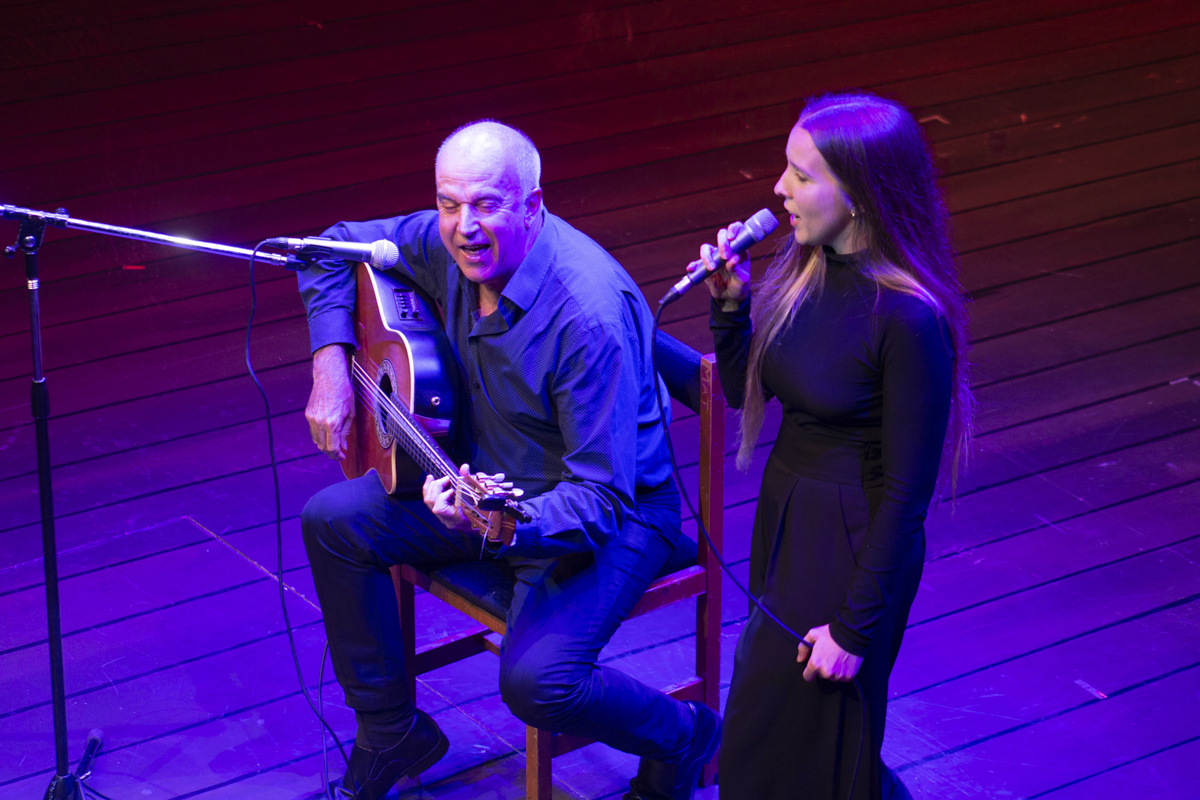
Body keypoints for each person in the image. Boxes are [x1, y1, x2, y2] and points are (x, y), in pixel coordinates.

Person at [296, 120, 720, 800]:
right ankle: (390, 731)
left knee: (539, 683)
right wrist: (331, 366)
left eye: (487, 205)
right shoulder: (446, 241)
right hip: (484, 478)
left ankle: (686, 734)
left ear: (532, 205)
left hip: (612, 513)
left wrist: (499, 522)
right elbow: (328, 247)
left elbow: (601, 497)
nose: (464, 227)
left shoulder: (585, 316)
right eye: (449, 203)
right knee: (334, 521)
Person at [692, 93, 972, 799]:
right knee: (779, 737)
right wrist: (729, 305)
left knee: (806, 743)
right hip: (790, 518)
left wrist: (852, 629)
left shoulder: (908, 319)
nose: (779, 189)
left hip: (850, 544)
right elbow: (747, 389)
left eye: (801, 175)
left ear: (859, 194)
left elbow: (906, 497)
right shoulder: (807, 270)